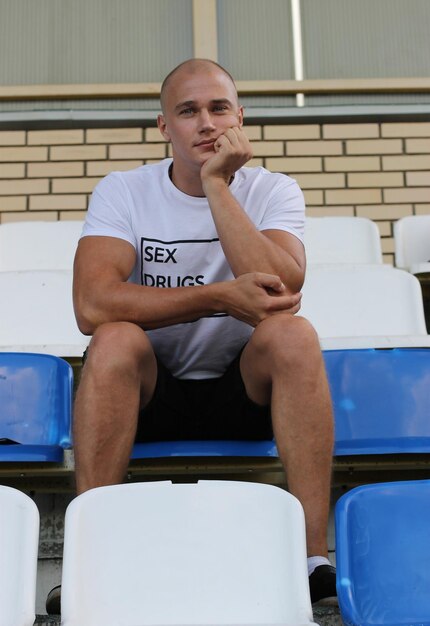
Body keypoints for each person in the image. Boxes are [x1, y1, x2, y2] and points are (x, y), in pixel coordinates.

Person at [46, 58, 335, 614]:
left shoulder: (273, 190)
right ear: (163, 127)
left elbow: (280, 287)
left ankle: (310, 558)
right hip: (151, 392)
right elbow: (91, 305)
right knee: (113, 340)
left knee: (293, 335)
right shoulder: (124, 191)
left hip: (244, 392)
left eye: (218, 108)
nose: (206, 123)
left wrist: (216, 187)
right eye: (188, 111)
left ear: (240, 118)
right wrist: (217, 296)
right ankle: (91, 550)